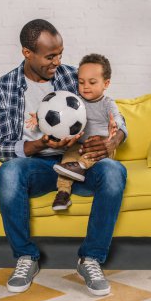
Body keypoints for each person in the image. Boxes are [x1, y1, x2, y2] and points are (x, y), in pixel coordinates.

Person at [0, 19, 127, 296]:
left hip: (76, 163)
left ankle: (90, 259)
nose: (57, 62)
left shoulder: (73, 77)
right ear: (27, 53)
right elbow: (2, 147)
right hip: (37, 167)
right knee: (8, 172)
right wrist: (40, 143)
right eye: (50, 56)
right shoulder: (3, 88)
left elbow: (110, 110)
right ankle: (26, 257)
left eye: (61, 53)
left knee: (114, 171)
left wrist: (115, 138)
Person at [51, 53, 125, 211]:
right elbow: (61, 114)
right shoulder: (75, 101)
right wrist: (39, 118)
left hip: (101, 147)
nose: (85, 86)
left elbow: (117, 118)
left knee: (93, 154)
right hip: (79, 145)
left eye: (92, 82)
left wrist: (114, 125)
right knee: (66, 161)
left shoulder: (107, 103)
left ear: (106, 83)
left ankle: (80, 166)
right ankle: (63, 194)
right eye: (81, 82)